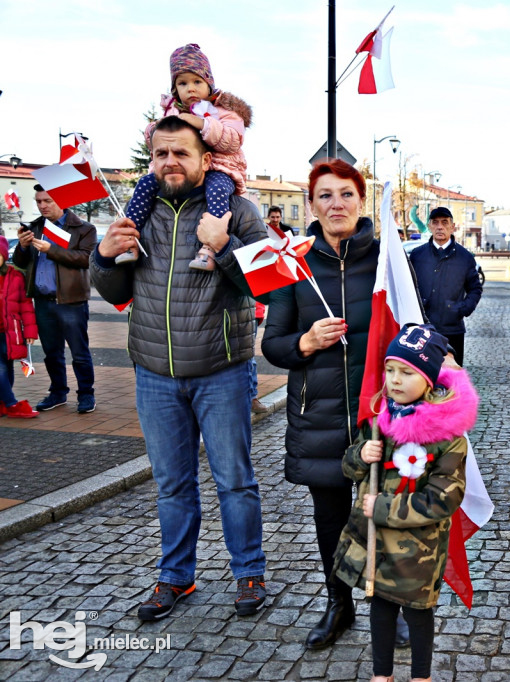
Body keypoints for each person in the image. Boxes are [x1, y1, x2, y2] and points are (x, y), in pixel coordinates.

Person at [91, 115, 269, 620]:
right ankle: (175, 578)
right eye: (161, 154)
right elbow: (118, 292)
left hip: (221, 370)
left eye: (181, 153)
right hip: (154, 373)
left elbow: (265, 285)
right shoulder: (137, 214)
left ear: (205, 159)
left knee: (234, 479)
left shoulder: (236, 210)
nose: (170, 162)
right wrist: (103, 258)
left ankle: (249, 573)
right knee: (171, 483)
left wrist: (224, 244)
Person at [262, 159, 378, 649]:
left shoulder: (389, 257)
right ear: (312, 205)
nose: (336, 204)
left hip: (379, 413)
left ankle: (393, 610)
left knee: (386, 515)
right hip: (320, 412)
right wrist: (305, 343)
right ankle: (339, 605)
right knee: (330, 519)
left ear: (361, 201)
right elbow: (274, 344)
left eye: (346, 194)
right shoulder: (294, 263)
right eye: (325, 195)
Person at [334, 324, 477, 682]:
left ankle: (421, 675)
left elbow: (443, 498)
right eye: (390, 369)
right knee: (380, 606)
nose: (395, 380)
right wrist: (360, 455)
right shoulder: (380, 419)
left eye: (407, 372)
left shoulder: (446, 438)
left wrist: (382, 508)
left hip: (417, 550)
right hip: (376, 543)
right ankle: (382, 674)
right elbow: (350, 469)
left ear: (429, 380)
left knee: (417, 612)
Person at [118, 43, 252, 272]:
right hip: (181, 176)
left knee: (217, 190)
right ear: (174, 89)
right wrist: (160, 128)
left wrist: (203, 124)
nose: (190, 88)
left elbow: (233, 139)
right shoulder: (173, 112)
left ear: (209, 84)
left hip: (221, 168)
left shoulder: (225, 111)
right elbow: (153, 138)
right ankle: (130, 241)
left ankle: (209, 247)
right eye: (182, 83)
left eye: (197, 81)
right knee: (144, 184)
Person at [13, 185, 97, 414]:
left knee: (79, 352)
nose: (42, 205)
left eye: (47, 201)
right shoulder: (35, 227)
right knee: (51, 352)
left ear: (61, 200)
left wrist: (52, 249)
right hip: (43, 300)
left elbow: (86, 259)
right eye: (38, 201)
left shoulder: (84, 228)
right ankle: (58, 392)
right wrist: (21, 246)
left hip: (71, 301)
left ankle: (86, 394)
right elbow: (20, 262)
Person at [408, 206, 483, 366]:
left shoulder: (464, 257)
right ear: (429, 226)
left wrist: (462, 308)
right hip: (422, 329)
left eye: (444, 222)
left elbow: (475, 288)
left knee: (450, 380)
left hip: (452, 330)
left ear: (452, 226)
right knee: (421, 379)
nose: (440, 226)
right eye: (435, 222)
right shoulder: (417, 255)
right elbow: (408, 288)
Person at [0, 235, 39, 418]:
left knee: (7, 368)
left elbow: (25, 305)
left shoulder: (15, 276)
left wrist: (30, 331)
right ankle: (12, 404)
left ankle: (2, 403)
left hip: (10, 333)